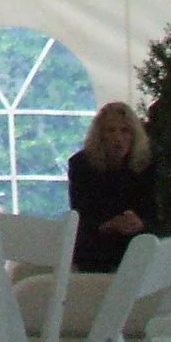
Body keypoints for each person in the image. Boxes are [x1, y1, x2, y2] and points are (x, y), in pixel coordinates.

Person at [68, 102, 159, 272]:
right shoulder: (81, 165)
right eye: (111, 130)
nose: (118, 138)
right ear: (100, 135)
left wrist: (140, 223)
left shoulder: (147, 164)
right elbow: (80, 217)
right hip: (95, 249)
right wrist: (109, 225)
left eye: (125, 131)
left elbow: (154, 214)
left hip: (138, 246)